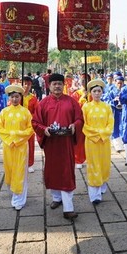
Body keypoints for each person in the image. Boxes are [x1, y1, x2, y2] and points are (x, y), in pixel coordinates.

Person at [32, 73, 84, 220]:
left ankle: (68, 208)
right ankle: (56, 198)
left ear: (64, 85)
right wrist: (44, 130)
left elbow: (80, 118)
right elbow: (35, 122)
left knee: (66, 171)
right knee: (53, 170)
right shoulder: (43, 103)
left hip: (66, 142)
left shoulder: (72, 102)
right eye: (54, 84)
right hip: (51, 143)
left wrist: (75, 125)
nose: (57, 86)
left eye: (59, 84)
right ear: (49, 86)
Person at [0, 85, 34, 210]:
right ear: (9, 98)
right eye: (12, 97)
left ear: (21, 97)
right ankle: (13, 192)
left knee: (20, 171)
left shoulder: (25, 112)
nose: (15, 99)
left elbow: (30, 129)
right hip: (8, 146)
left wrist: (16, 138)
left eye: (17, 97)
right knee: (10, 169)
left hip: (21, 146)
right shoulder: (4, 112)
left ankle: (19, 199)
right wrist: (10, 139)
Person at [82, 79, 114, 204]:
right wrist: (97, 135)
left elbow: (110, 123)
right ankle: (94, 195)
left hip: (104, 141)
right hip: (91, 141)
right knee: (93, 164)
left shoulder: (107, 107)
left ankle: (102, 185)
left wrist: (103, 134)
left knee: (104, 163)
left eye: (99, 91)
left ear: (102, 92)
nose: (96, 93)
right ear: (90, 93)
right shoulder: (86, 107)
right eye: (94, 91)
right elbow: (84, 124)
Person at [22, 76, 39, 172]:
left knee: (30, 144)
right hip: (18, 124)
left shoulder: (33, 98)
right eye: (24, 83)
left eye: (28, 84)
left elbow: (37, 112)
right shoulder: (17, 96)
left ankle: (30, 163)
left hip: (29, 125)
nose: (26, 86)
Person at [107, 75, 125, 152]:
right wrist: (114, 100)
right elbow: (106, 100)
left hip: (124, 112)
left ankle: (123, 144)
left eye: (121, 83)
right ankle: (118, 146)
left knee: (123, 127)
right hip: (115, 112)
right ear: (115, 83)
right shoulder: (112, 91)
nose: (119, 85)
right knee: (115, 128)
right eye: (118, 83)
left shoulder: (125, 91)